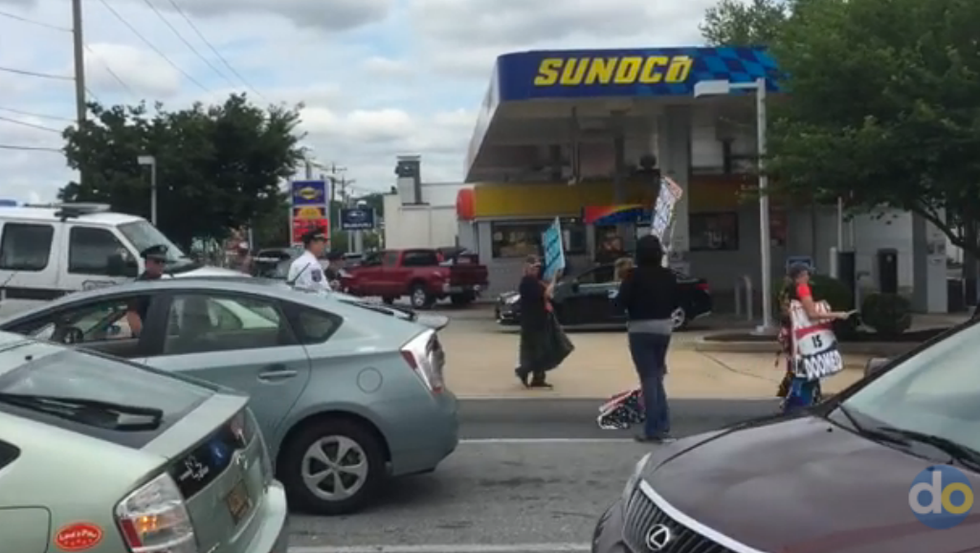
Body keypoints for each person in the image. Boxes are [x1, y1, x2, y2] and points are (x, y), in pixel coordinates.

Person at [613, 235, 677, 443]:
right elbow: (676, 300)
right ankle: (663, 423)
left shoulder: (634, 276)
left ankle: (652, 428)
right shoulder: (667, 275)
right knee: (657, 375)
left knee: (648, 378)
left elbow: (620, 303)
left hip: (640, 327)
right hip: (664, 327)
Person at [776, 264, 853, 412]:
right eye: (806, 274)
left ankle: (793, 405)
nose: (809, 277)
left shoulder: (788, 291)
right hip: (807, 340)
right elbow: (812, 314)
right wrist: (837, 314)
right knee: (807, 374)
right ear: (800, 276)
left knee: (800, 372)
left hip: (795, 338)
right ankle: (796, 408)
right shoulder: (803, 289)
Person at [514, 255, 572, 388]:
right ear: (527, 268)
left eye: (537, 267)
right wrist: (554, 280)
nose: (536, 270)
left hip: (540, 319)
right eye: (533, 267)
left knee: (542, 349)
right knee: (538, 350)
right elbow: (546, 294)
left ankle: (537, 377)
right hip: (533, 322)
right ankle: (524, 371)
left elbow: (548, 294)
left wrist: (555, 276)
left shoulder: (536, 281)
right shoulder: (528, 282)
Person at [125, 244, 168, 337]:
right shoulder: (140, 287)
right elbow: (132, 315)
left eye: (163, 262)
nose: (161, 265)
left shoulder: (161, 283)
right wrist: (144, 339)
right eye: (157, 261)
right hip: (150, 339)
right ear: (147, 264)